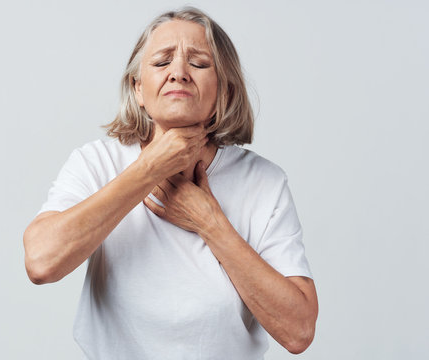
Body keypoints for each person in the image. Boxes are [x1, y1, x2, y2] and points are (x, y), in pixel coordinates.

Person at [23, 6, 318, 360]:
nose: (178, 73)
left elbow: (298, 331)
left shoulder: (264, 183)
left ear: (223, 90)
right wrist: (148, 168)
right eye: (162, 62)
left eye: (199, 63)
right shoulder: (96, 163)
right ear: (138, 89)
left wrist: (210, 222)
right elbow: (41, 262)